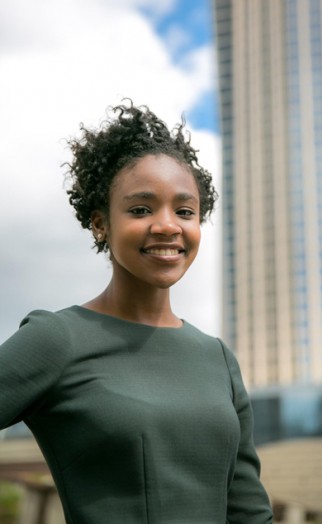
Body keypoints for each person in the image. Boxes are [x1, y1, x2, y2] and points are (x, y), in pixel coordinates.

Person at [0, 103, 273, 523]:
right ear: (100, 223)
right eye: (141, 209)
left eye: (185, 211)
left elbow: (249, 512)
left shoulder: (217, 359)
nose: (168, 225)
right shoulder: (57, 338)